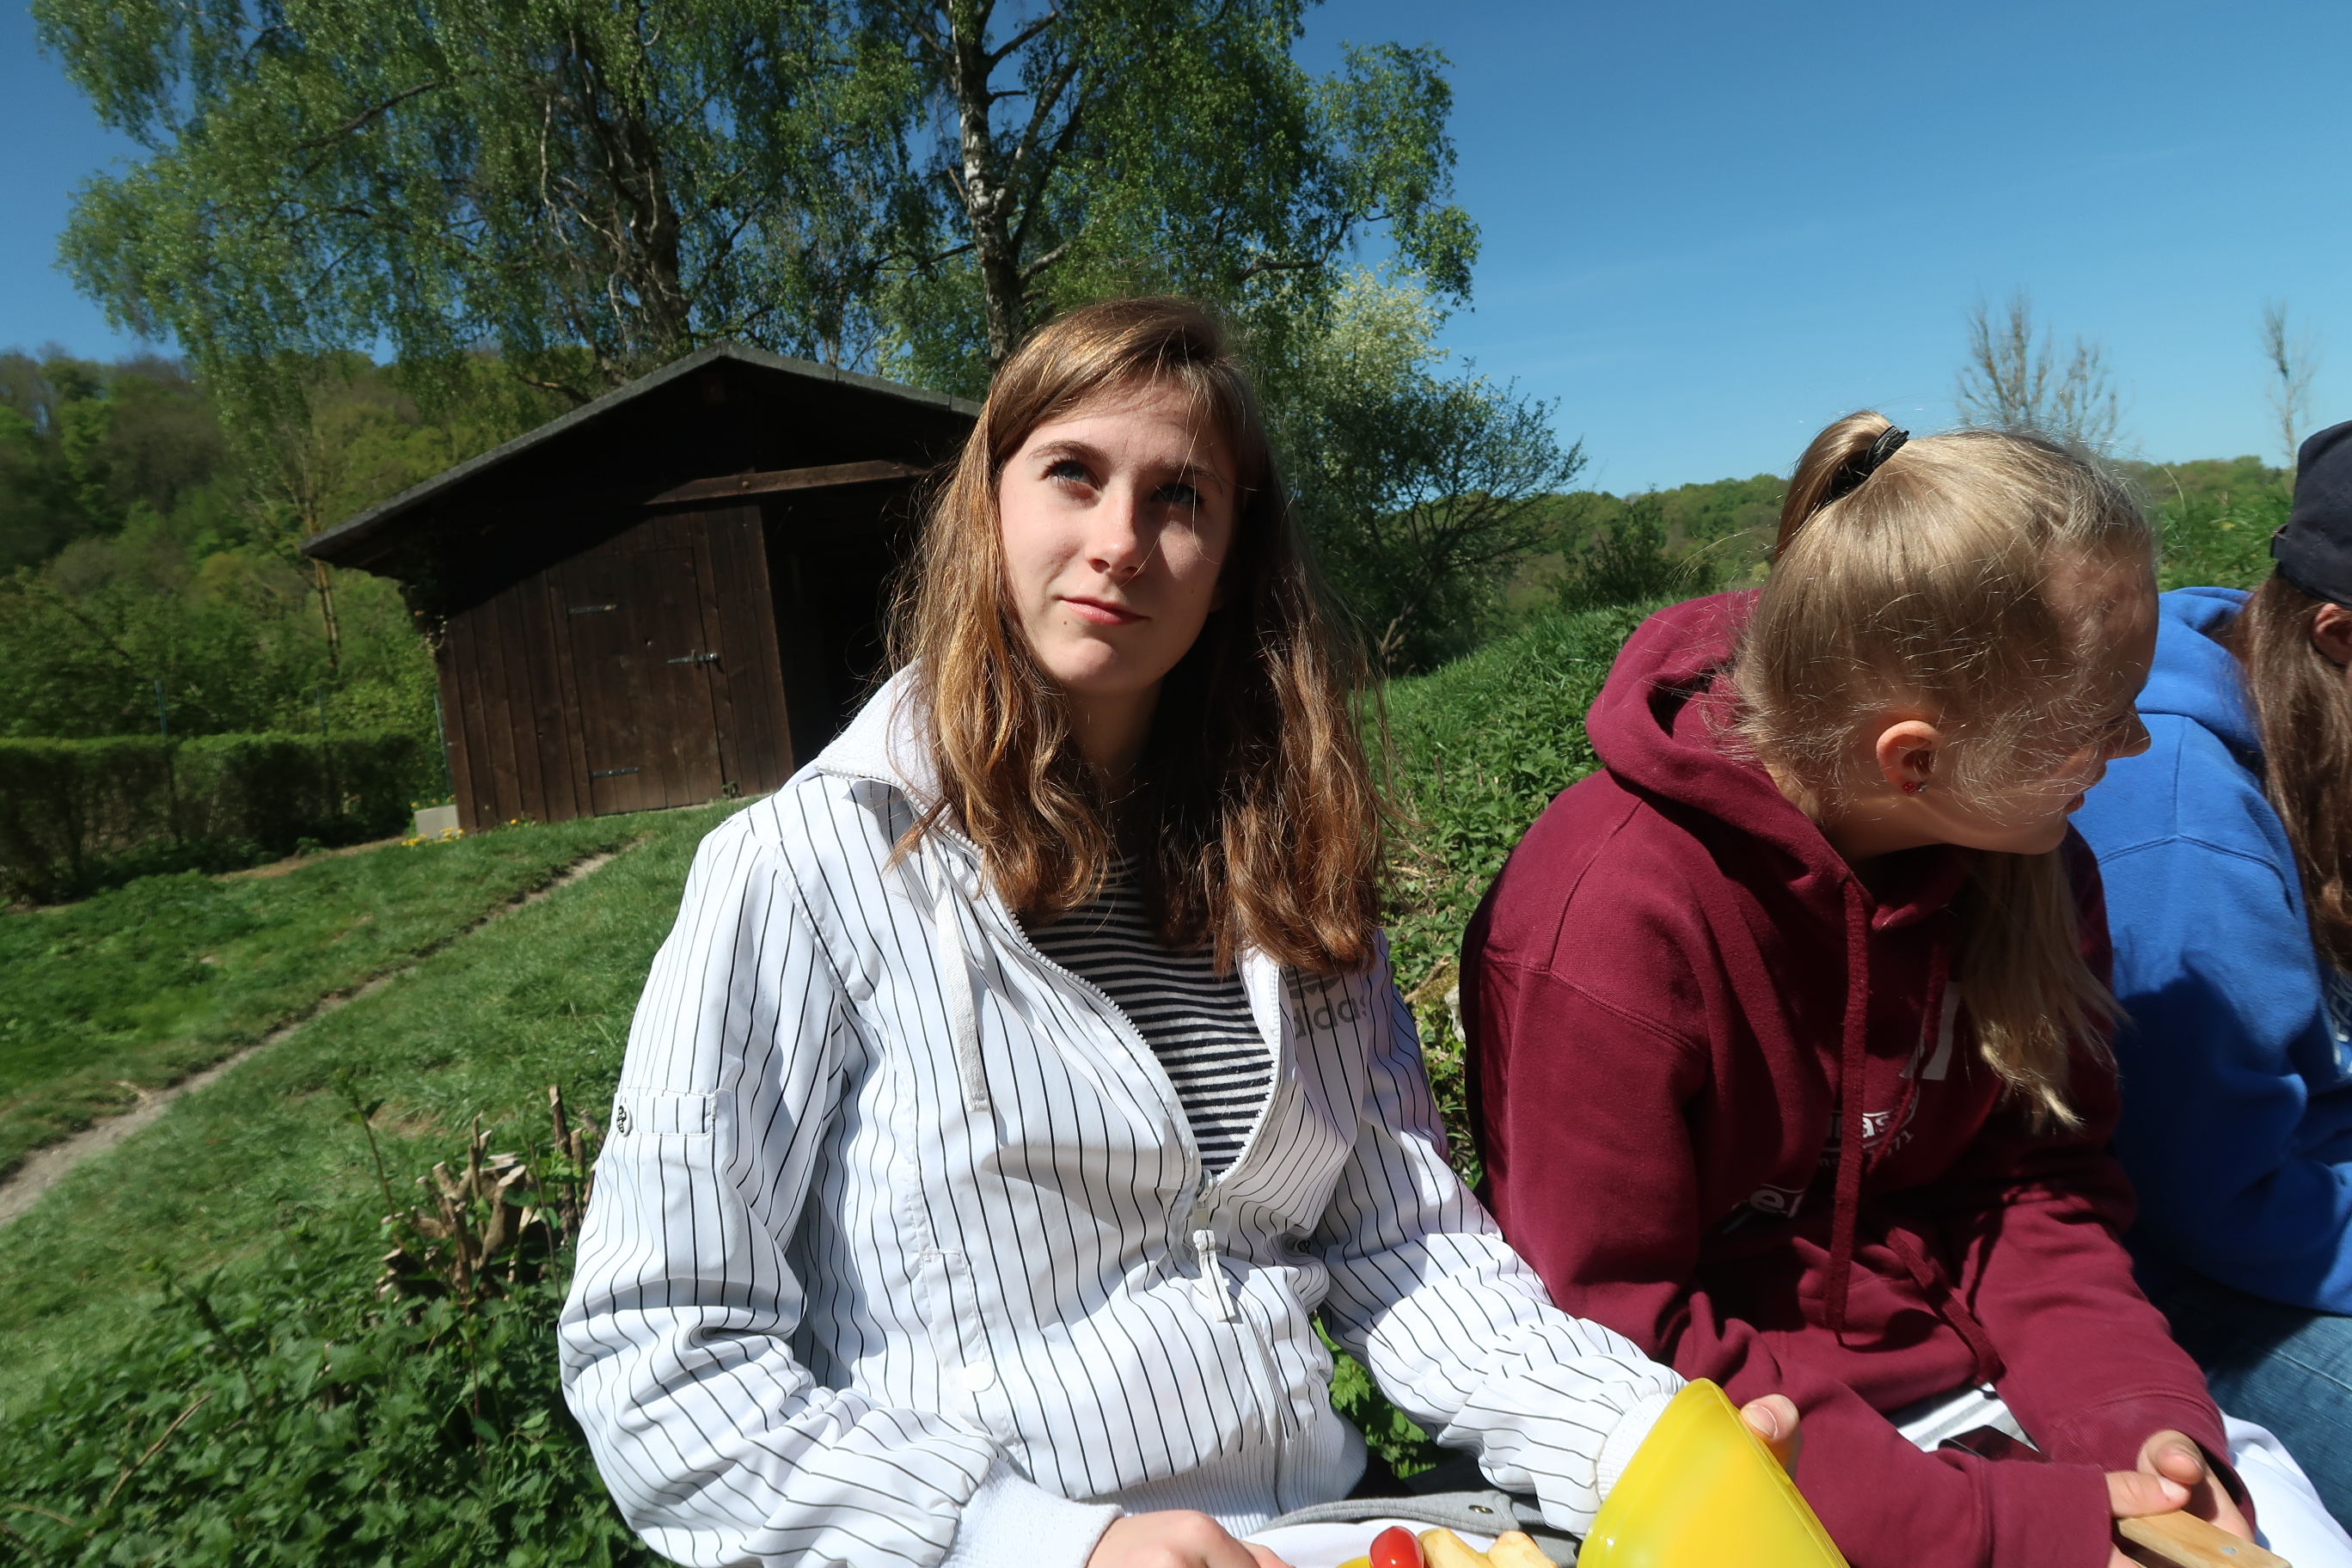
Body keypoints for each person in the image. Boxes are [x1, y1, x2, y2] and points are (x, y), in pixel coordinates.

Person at [558, 297, 1796, 1568]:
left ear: (1232, 552)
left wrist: (1629, 1437)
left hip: (1328, 1532)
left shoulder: (1286, 862)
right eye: (1072, 475)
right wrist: (1046, 1544)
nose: (1120, 543)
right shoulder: (802, 871)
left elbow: (1402, 1246)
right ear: (988, 505)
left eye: (1179, 498)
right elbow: (658, 1359)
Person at [1461, 413, 2349, 1568]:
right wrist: (2018, 1530)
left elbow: (2035, 1189)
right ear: (1914, 758)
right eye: (2097, 718)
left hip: (1997, 1387)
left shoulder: (2029, 866)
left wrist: (2143, 1428)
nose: (2136, 744)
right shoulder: (1609, 919)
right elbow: (1612, 1328)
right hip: (1756, 1457)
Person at [2072, 420, 2352, 1528]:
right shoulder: (2183, 824)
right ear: (2337, 633)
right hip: (2198, 1267)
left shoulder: (2301, 704)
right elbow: (2211, 1195)